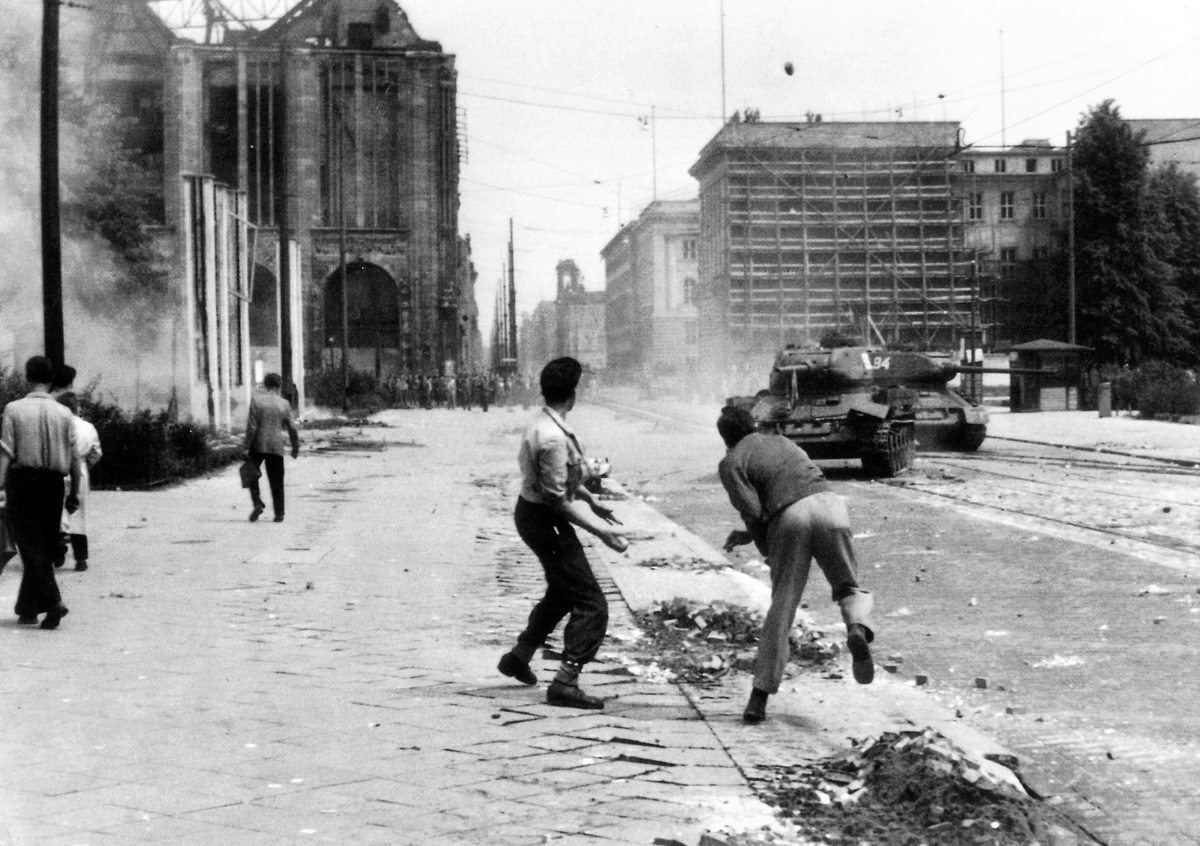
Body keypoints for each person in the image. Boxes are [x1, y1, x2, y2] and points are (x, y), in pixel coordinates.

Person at [716, 405, 876, 724]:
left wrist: (765, 546)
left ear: (726, 439)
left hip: (790, 519)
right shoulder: (782, 441)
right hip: (830, 506)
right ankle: (857, 627)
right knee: (847, 586)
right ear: (753, 425)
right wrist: (755, 533)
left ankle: (758, 698)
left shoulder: (732, 461)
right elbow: (793, 483)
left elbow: (754, 510)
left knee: (783, 605)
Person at [498, 357, 629, 710]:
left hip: (533, 514)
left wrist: (591, 500)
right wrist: (601, 531)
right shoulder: (554, 436)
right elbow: (556, 500)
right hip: (544, 520)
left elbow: (561, 479)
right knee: (591, 603)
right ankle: (565, 682)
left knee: (561, 591)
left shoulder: (544, 423)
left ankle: (519, 656)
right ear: (573, 395)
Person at [0, 357, 82, 629]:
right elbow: (74, 458)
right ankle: (28, 608)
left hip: (22, 482)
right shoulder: (64, 413)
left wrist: (0, 484)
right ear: (50, 380)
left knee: (30, 545)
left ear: (27, 377)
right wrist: (75, 493)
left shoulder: (13, 409)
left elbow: (6, 451)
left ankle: (52, 602)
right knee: (44, 545)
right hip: (54, 484)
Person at [244, 373, 300, 523]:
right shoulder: (284, 404)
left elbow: (252, 426)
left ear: (265, 384)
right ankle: (279, 513)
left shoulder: (256, 400)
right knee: (277, 479)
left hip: (257, 444)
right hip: (276, 445)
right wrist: (295, 447)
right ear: (279, 385)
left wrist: (246, 446)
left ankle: (257, 502)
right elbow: (292, 428)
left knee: (250, 473)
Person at [55, 392, 101, 572]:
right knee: (79, 515)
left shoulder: (57, 425)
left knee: (58, 512)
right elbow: (96, 452)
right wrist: (84, 465)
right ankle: (81, 558)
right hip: (79, 470)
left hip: (58, 468)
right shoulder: (87, 427)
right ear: (77, 408)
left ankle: (58, 550)